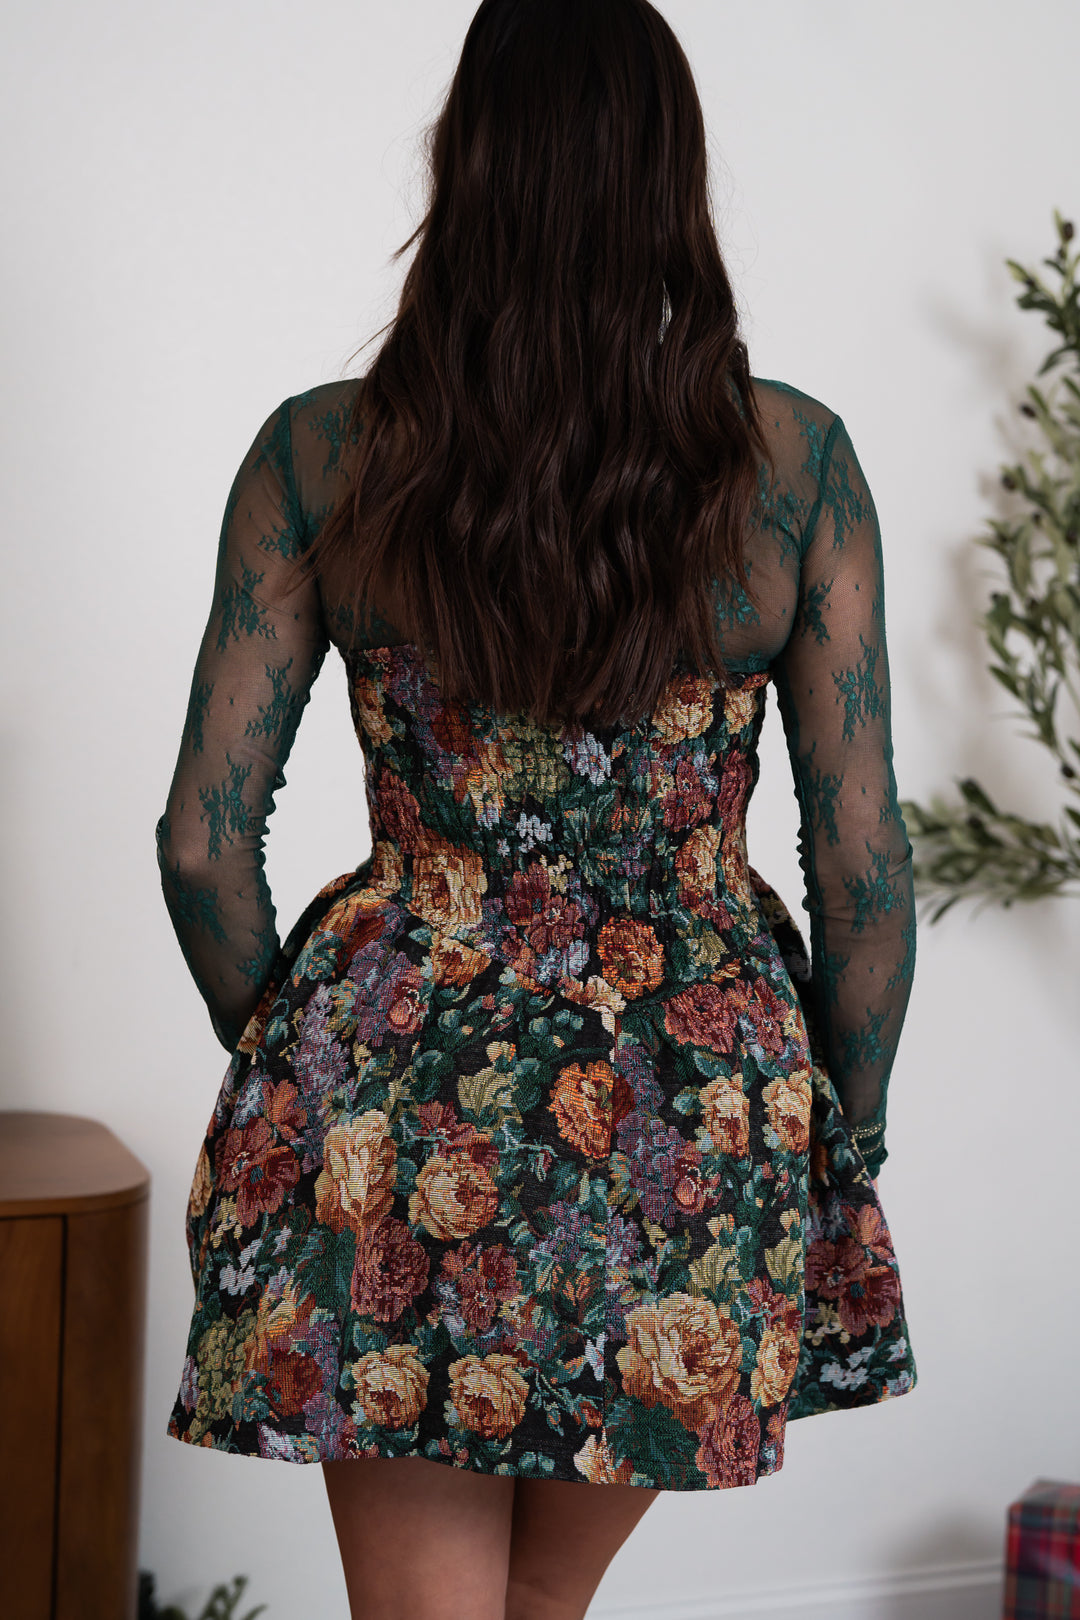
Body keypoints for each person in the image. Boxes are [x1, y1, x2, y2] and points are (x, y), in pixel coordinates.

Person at [156, 2, 918, 1616]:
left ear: (465, 167)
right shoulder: (794, 468)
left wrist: (307, 1071)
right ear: (672, 183)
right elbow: (862, 875)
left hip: (391, 1117)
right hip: (694, 1125)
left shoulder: (320, 455)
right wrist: (836, 1149)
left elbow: (202, 846)